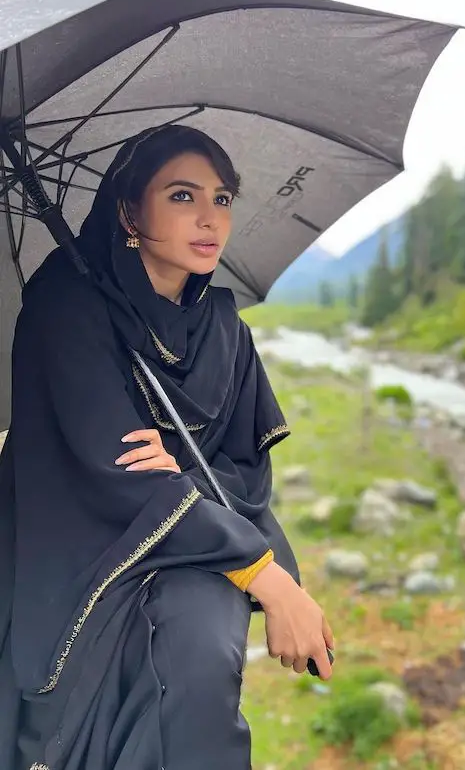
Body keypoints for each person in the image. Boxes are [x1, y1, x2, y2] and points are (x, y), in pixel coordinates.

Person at [0, 124, 334, 770]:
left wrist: (182, 476)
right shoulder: (66, 305)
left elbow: (245, 475)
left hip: (193, 547)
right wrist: (274, 583)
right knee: (177, 659)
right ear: (129, 211)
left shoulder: (224, 327)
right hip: (81, 552)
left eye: (223, 198)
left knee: (202, 652)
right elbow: (116, 473)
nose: (210, 219)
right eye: (182, 197)